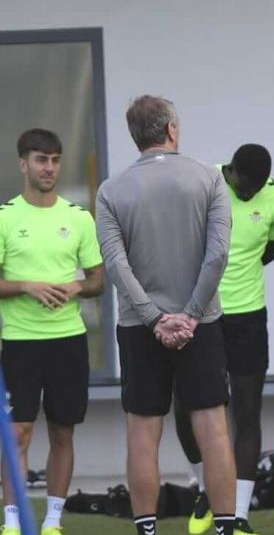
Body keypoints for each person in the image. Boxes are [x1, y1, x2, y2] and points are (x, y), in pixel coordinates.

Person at [96, 95, 236, 535]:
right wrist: (191, 314)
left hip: (140, 327)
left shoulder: (111, 190)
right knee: (212, 429)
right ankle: (227, 528)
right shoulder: (208, 179)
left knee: (142, 433)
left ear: (135, 136)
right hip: (202, 323)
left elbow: (115, 264)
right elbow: (217, 256)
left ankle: (147, 530)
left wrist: (154, 318)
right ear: (172, 129)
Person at [174, 143, 274, 535]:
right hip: (201, 314)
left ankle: (239, 514)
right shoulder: (203, 183)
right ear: (230, 172)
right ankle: (210, 490)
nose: (250, 194)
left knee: (246, 411)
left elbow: (267, 252)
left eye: (257, 188)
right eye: (245, 187)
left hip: (248, 317)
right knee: (185, 410)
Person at [0, 128, 104, 535]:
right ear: (23, 164)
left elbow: (97, 280)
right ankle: (11, 521)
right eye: (41, 160)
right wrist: (26, 285)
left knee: (63, 431)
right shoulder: (6, 217)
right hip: (20, 342)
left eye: (56, 160)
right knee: (18, 434)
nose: (49, 168)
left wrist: (76, 286)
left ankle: (54, 522)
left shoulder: (78, 217)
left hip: (67, 341)